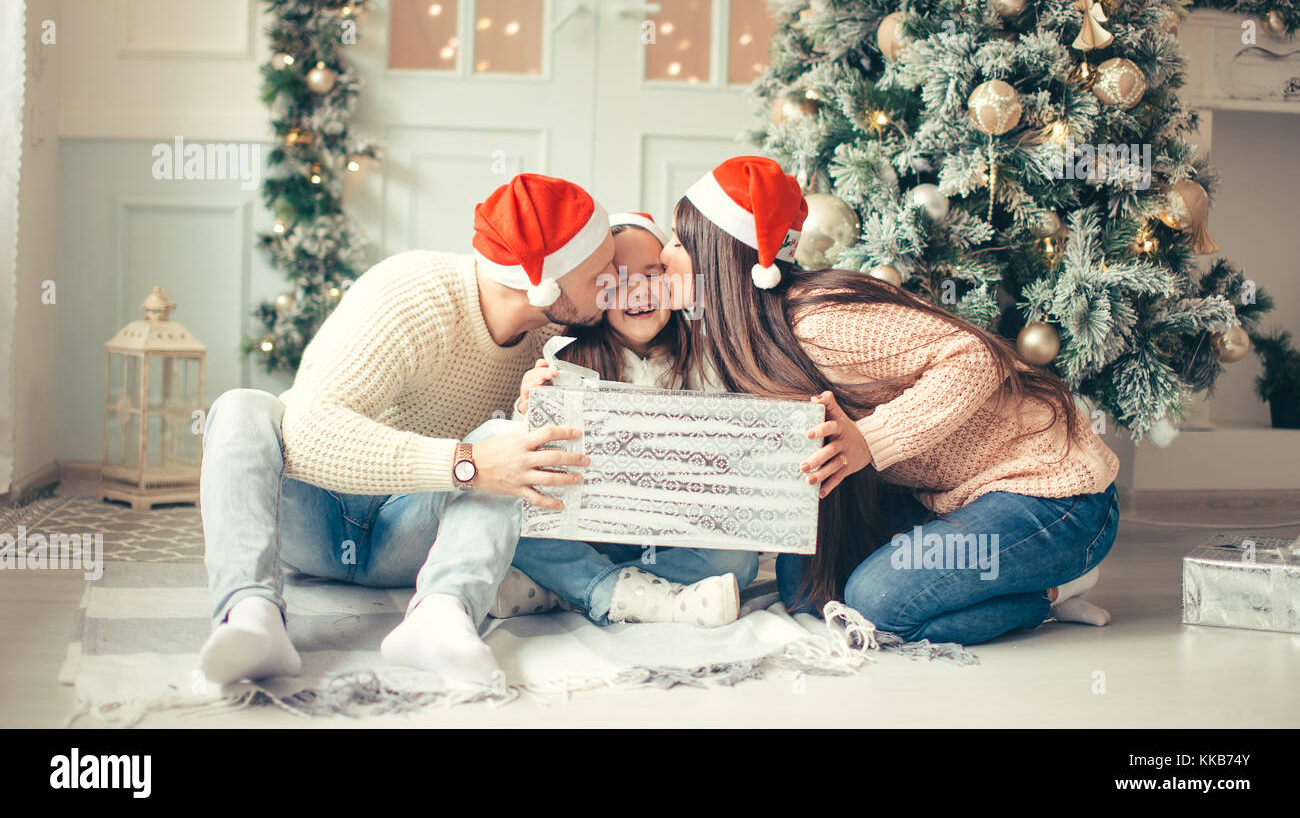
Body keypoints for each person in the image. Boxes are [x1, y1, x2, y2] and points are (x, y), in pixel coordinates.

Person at [656, 155, 1121, 646]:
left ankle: (1050, 589)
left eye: (679, 242)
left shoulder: (817, 323)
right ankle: (1005, 577)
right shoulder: (748, 343)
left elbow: (975, 357)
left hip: (1053, 492)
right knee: (806, 592)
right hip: (950, 496)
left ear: (719, 256)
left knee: (875, 606)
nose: (665, 257)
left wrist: (869, 440)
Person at [196, 173, 615, 689]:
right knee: (242, 405)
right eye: (601, 268)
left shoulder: (559, 338)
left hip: (413, 535)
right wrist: (470, 463)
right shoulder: (413, 292)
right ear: (543, 283)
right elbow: (307, 431)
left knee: (510, 438)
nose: (614, 278)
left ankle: (441, 616)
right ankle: (250, 616)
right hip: (314, 516)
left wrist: (523, 418)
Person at [491, 212, 759, 627]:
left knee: (739, 561)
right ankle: (616, 589)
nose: (637, 292)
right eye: (616, 281)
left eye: (653, 275)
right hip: (591, 530)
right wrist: (529, 406)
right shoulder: (565, 359)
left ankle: (564, 590)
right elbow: (529, 460)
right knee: (512, 522)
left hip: (672, 534)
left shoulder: (708, 361)